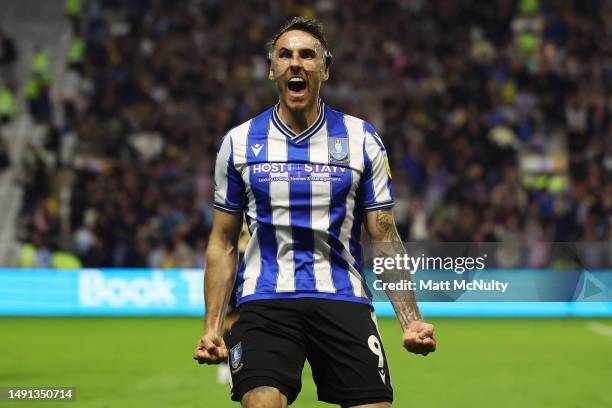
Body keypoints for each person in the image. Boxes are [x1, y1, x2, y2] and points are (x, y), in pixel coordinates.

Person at [193, 17, 436, 408]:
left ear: (325, 69)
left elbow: (384, 235)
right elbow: (222, 241)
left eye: (308, 55)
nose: (295, 63)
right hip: (265, 301)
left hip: (344, 299)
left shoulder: (361, 139)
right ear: (272, 68)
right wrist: (212, 328)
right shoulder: (238, 143)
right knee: (262, 404)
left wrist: (411, 321)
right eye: (284, 55)